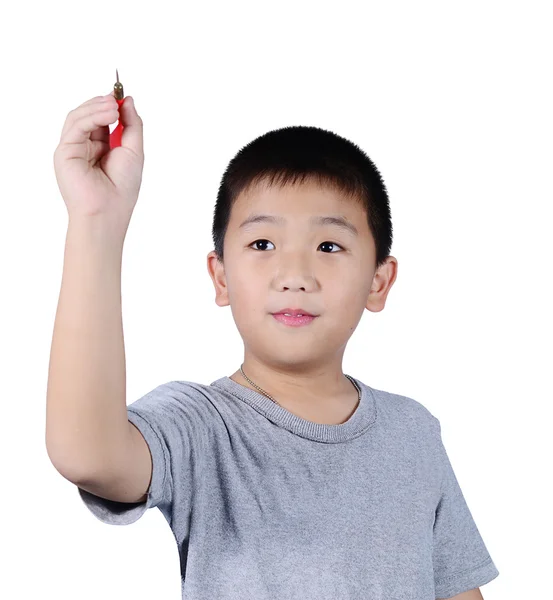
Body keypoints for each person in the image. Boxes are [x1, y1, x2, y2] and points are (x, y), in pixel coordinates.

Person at [46, 91, 499, 600]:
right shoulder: (201, 424)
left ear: (379, 281)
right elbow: (88, 455)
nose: (294, 275)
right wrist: (96, 221)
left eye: (329, 246)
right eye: (262, 244)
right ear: (220, 277)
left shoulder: (413, 432)